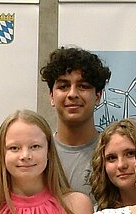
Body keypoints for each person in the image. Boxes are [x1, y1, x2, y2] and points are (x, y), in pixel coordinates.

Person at [40, 47, 110, 195]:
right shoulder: (38, 154)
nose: (72, 94)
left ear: (98, 96)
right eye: (63, 86)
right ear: (52, 96)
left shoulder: (114, 154)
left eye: (83, 86)